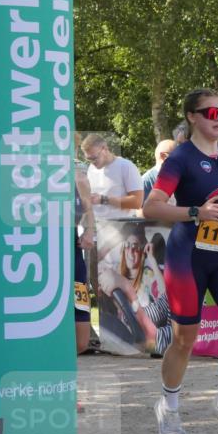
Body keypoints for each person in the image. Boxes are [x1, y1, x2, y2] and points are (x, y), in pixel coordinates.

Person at [143, 88, 218, 434]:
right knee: (184, 341)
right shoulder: (179, 158)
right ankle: (169, 407)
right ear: (192, 117)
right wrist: (197, 212)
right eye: (209, 112)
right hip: (187, 257)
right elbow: (152, 206)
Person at [97, 222, 173, 356]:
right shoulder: (115, 270)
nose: (131, 251)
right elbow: (160, 306)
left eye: (135, 247)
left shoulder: (150, 275)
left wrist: (128, 290)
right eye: (127, 246)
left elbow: (157, 341)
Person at [83, 134, 143, 218]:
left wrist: (104, 199)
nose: (92, 162)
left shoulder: (126, 166)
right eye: (88, 159)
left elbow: (137, 202)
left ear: (105, 149)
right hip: (97, 227)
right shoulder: (91, 168)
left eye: (94, 158)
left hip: (122, 227)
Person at [74, 173, 96, 355]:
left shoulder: (78, 177)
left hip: (72, 255)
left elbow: (88, 210)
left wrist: (89, 231)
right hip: (41, 257)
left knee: (81, 342)